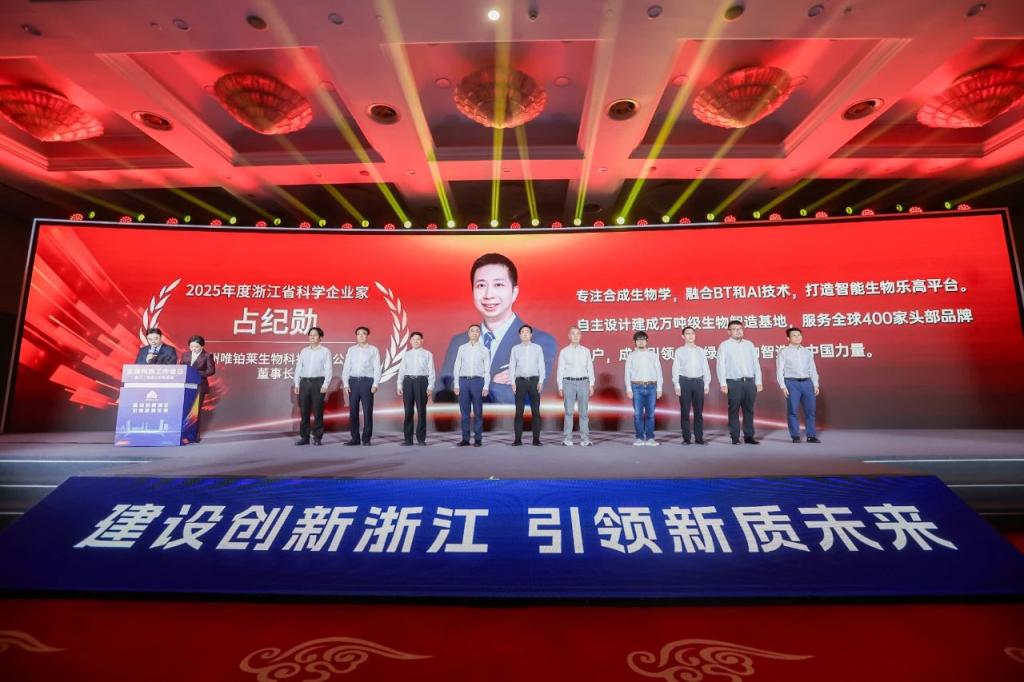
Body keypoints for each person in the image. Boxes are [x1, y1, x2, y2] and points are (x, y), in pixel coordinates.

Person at [439, 253, 556, 403]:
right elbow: (443, 393)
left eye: (498, 285)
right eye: (481, 285)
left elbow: (525, 394)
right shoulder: (459, 342)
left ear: (514, 292)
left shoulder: (539, 341)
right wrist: (493, 384)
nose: (489, 295)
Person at [716, 320, 762, 445]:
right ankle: (735, 437)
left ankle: (749, 436)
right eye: (735, 329)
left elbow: (756, 364)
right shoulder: (724, 345)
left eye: (740, 329)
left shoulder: (749, 344)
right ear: (729, 332)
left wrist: (758, 381)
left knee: (749, 410)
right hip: (733, 382)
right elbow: (720, 366)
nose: (738, 331)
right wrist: (723, 383)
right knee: (734, 411)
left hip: (749, 382)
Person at [777, 327, 821, 443]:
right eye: (794, 335)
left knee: (810, 411)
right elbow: (779, 371)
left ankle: (811, 436)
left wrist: (815, 384)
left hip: (807, 383)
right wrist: (783, 386)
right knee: (792, 410)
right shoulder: (783, 352)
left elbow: (813, 369)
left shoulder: (807, 352)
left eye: (799, 335)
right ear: (788, 338)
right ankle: (795, 436)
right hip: (791, 383)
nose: (797, 337)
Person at [342, 326, 381, 446]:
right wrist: (346, 383)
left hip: (367, 382)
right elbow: (346, 367)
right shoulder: (351, 350)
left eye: (363, 333)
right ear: (356, 336)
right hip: (353, 382)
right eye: (359, 334)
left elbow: (377, 368)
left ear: (367, 335)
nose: (361, 336)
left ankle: (366, 438)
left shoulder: (373, 350)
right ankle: (355, 438)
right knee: (353, 411)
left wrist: (375, 383)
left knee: (367, 411)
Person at [556, 326, 595, 447]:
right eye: (573, 333)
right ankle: (567, 438)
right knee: (569, 411)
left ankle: (585, 438)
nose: (575, 336)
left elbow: (590, 368)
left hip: (583, 382)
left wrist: (591, 384)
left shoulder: (586, 351)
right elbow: (560, 369)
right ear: (569, 336)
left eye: (578, 334)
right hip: (568, 383)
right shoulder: (564, 351)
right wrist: (560, 386)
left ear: (581, 336)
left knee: (584, 412)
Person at [671, 326, 711, 445]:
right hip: (685, 382)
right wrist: (677, 385)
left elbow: (705, 367)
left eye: (692, 333)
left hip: (698, 382)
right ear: (683, 336)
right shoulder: (679, 351)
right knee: (685, 412)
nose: (690, 336)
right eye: (687, 334)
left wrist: (706, 383)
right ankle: (686, 438)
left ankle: (699, 438)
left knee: (698, 413)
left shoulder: (701, 351)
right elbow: (676, 368)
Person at [453, 324, 491, 446]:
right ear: (468, 333)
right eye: (472, 331)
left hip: (477, 382)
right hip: (463, 382)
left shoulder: (484, 350)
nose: (474, 333)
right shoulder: (462, 348)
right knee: (465, 413)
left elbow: (487, 370)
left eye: (477, 331)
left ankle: (478, 439)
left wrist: (486, 386)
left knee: (478, 412)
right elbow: (457, 367)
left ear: (480, 334)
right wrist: (456, 384)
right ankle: (465, 439)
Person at [293, 326, 332, 446]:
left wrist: (325, 384)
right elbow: (299, 368)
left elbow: (328, 369)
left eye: (315, 335)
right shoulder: (304, 351)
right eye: (310, 335)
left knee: (317, 411)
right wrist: (297, 383)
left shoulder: (325, 351)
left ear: (320, 338)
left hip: (318, 382)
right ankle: (304, 437)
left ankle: (317, 437)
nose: (312, 337)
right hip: (304, 382)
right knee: (304, 412)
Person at [624, 330, 663, 446]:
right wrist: (628, 388)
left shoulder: (653, 355)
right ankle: (639, 438)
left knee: (651, 414)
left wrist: (659, 388)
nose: (641, 342)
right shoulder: (631, 356)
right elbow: (627, 373)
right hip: (637, 387)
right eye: (638, 340)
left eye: (643, 339)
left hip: (651, 387)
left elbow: (659, 372)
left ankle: (650, 438)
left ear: (647, 341)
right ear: (635, 342)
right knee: (638, 414)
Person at [397, 331, 435, 446]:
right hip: (408, 381)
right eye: (413, 339)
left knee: (421, 411)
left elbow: (431, 371)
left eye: (418, 339)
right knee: (408, 411)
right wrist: (399, 384)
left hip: (422, 381)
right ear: (410, 341)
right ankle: (408, 439)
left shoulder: (427, 354)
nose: (416, 341)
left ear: (422, 340)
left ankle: (421, 439)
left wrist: (430, 386)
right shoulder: (406, 354)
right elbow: (402, 370)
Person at [510, 324, 545, 446]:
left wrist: (541, 381)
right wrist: (512, 382)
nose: (525, 334)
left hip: (534, 381)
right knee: (519, 412)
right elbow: (512, 366)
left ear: (531, 334)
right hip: (520, 381)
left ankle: (536, 439)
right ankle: (517, 439)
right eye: (523, 332)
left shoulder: (537, 348)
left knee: (536, 412)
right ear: (519, 335)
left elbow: (541, 365)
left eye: (527, 332)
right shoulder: (515, 349)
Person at [180, 335, 216, 441]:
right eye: (191, 347)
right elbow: (181, 367)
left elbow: (211, 371)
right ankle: (183, 434)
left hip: (200, 386)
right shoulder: (185, 355)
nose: (193, 349)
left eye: (196, 347)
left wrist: (195, 373)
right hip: (186, 386)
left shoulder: (207, 355)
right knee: (185, 410)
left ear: (202, 346)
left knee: (195, 411)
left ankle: (194, 436)